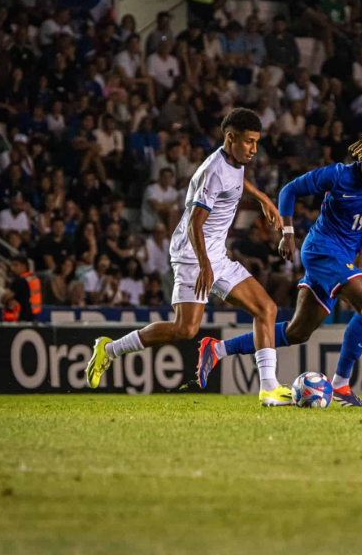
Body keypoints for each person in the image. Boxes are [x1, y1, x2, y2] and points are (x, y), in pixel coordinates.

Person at [198, 130, 362, 407]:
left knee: (297, 332)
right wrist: (287, 233)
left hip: (342, 257)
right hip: (321, 249)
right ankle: (341, 384)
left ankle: (216, 349)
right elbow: (290, 190)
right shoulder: (339, 175)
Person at [86, 109, 292, 407]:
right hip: (192, 254)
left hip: (215, 253)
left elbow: (237, 182)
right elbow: (196, 223)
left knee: (266, 309)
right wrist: (205, 266)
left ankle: (269, 388)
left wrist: (262, 197)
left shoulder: (235, 160)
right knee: (186, 329)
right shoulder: (213, 171)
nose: (254, 149)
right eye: (249, 142)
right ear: (230, 137)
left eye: (256, 142)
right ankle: (110, 350)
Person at [1, 255, 42, 322]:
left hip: (20, 317)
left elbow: (4, 298)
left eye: (15, 265)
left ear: (24, 266)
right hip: (32, 317)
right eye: (11, 265)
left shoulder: (19, 281)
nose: (12, 268)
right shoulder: (34, 279)